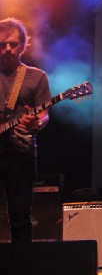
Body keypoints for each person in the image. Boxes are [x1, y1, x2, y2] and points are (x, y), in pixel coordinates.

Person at [0, 17, 51, 243]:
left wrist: (36, 123)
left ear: (23, 45)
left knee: (20, 217)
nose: (8, 49)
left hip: (19, 153)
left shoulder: (36, 76)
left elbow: (44, 114)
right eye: (2, 45)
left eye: (13, 44)